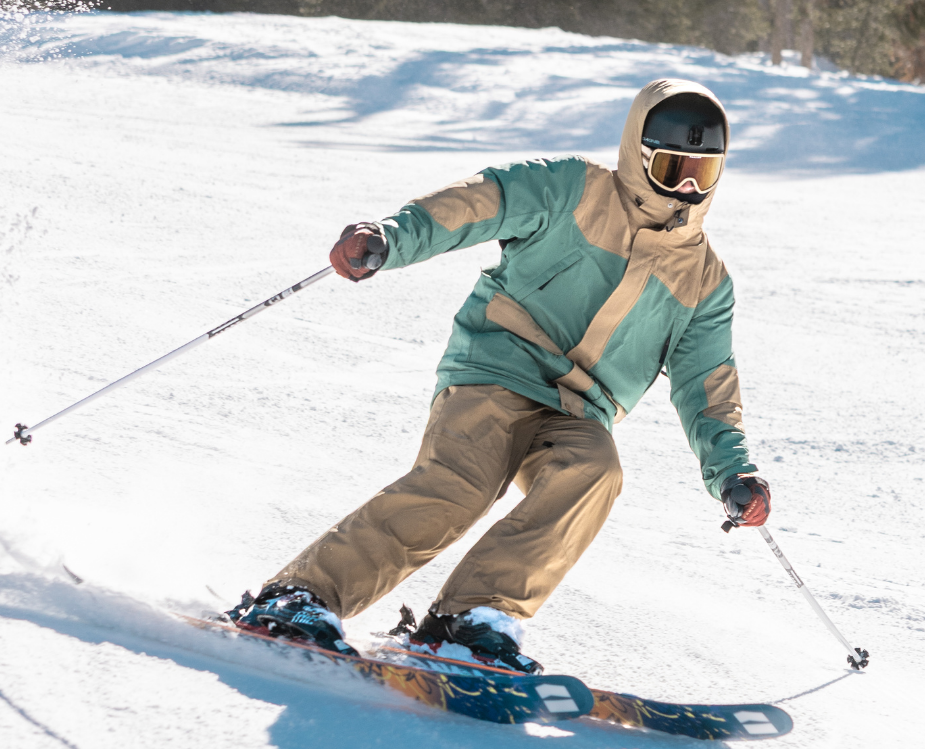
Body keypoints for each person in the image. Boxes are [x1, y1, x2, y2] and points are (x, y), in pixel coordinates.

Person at [226, 78, 771, 674]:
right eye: (672, 166)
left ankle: (470, 618)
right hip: (498, 367)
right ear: (637, 156)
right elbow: (478, 203)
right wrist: (392, 237)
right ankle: (301, 596)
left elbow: (708, 385)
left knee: (595, 470)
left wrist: (732, 469)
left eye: (702, 171)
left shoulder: (706, 281)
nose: (687, 187)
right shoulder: (572, 189)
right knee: (461, 483)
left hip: (580, 410)